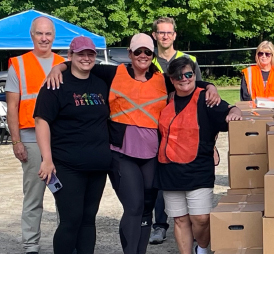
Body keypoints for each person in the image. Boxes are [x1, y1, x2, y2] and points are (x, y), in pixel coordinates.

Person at [46, 33, 220, 254]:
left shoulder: (161, 78)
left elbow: (185, 81)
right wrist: (57, 68)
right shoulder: (113, 72)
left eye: (148, 52)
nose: (143, 55)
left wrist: (211, 86)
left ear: (153, 55)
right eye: (138, 51)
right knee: (134, 206)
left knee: (147, 207)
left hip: (151, 153)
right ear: (130, 53)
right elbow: (82, 63)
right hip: (122, 152)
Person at [154, 56, 242, 254]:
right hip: (169, 170)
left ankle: (201, 249)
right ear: (171, 79)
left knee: (201, 218)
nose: (184, 79)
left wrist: (234, 110)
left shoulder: (206, 98)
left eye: (189, 74)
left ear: (195, 75)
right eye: (178, 76)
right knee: (180, 219)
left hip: (199, 168)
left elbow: (229, 109)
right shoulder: (164, 97)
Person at [34, 36, 111, 254]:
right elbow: (41, 121)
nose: (86, 58)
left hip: (97, 166)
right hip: (67, 165)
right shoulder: (55, 84)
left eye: (90, 54)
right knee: (71, 219)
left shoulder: (100, 82)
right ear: (70, 56)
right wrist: (47, 159)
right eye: (80, 54)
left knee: (89, 219)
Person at [149, 16, 216, 245]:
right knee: (164, 180)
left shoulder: (189, 60)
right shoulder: (148, 60)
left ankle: (200, 244)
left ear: (174, 35)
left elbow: (199, 90)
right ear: (155, 35)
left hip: (185, 127)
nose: (165, 36)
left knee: (195, 207)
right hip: (158, 125)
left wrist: (212, 85)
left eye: (169, 32)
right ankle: (159, 224)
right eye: (161, 32)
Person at [5, 16, 65, 254]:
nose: (44, 38)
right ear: (32, 36)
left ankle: (65, 240)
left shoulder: (64, 62)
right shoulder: (18, 64)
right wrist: (16, 141)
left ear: (54, 36)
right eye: (39, 34)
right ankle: (31, 244)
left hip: (59, 139)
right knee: (33, 196)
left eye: (48, 34)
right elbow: (12, 107)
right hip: (30, 139)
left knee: (64, 194)